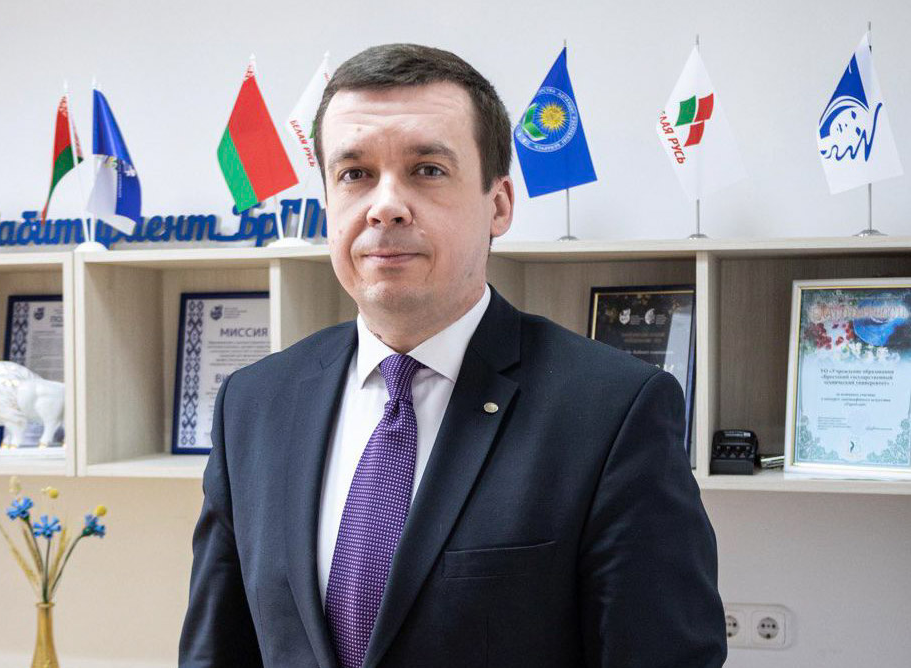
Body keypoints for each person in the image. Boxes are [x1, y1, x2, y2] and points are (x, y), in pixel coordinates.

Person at [179, 43, 726, 668]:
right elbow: (217, 652)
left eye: (427, 170)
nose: (385, 205)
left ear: (499, 205)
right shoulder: (253, 403)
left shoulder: (614, 411)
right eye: (354, 174)